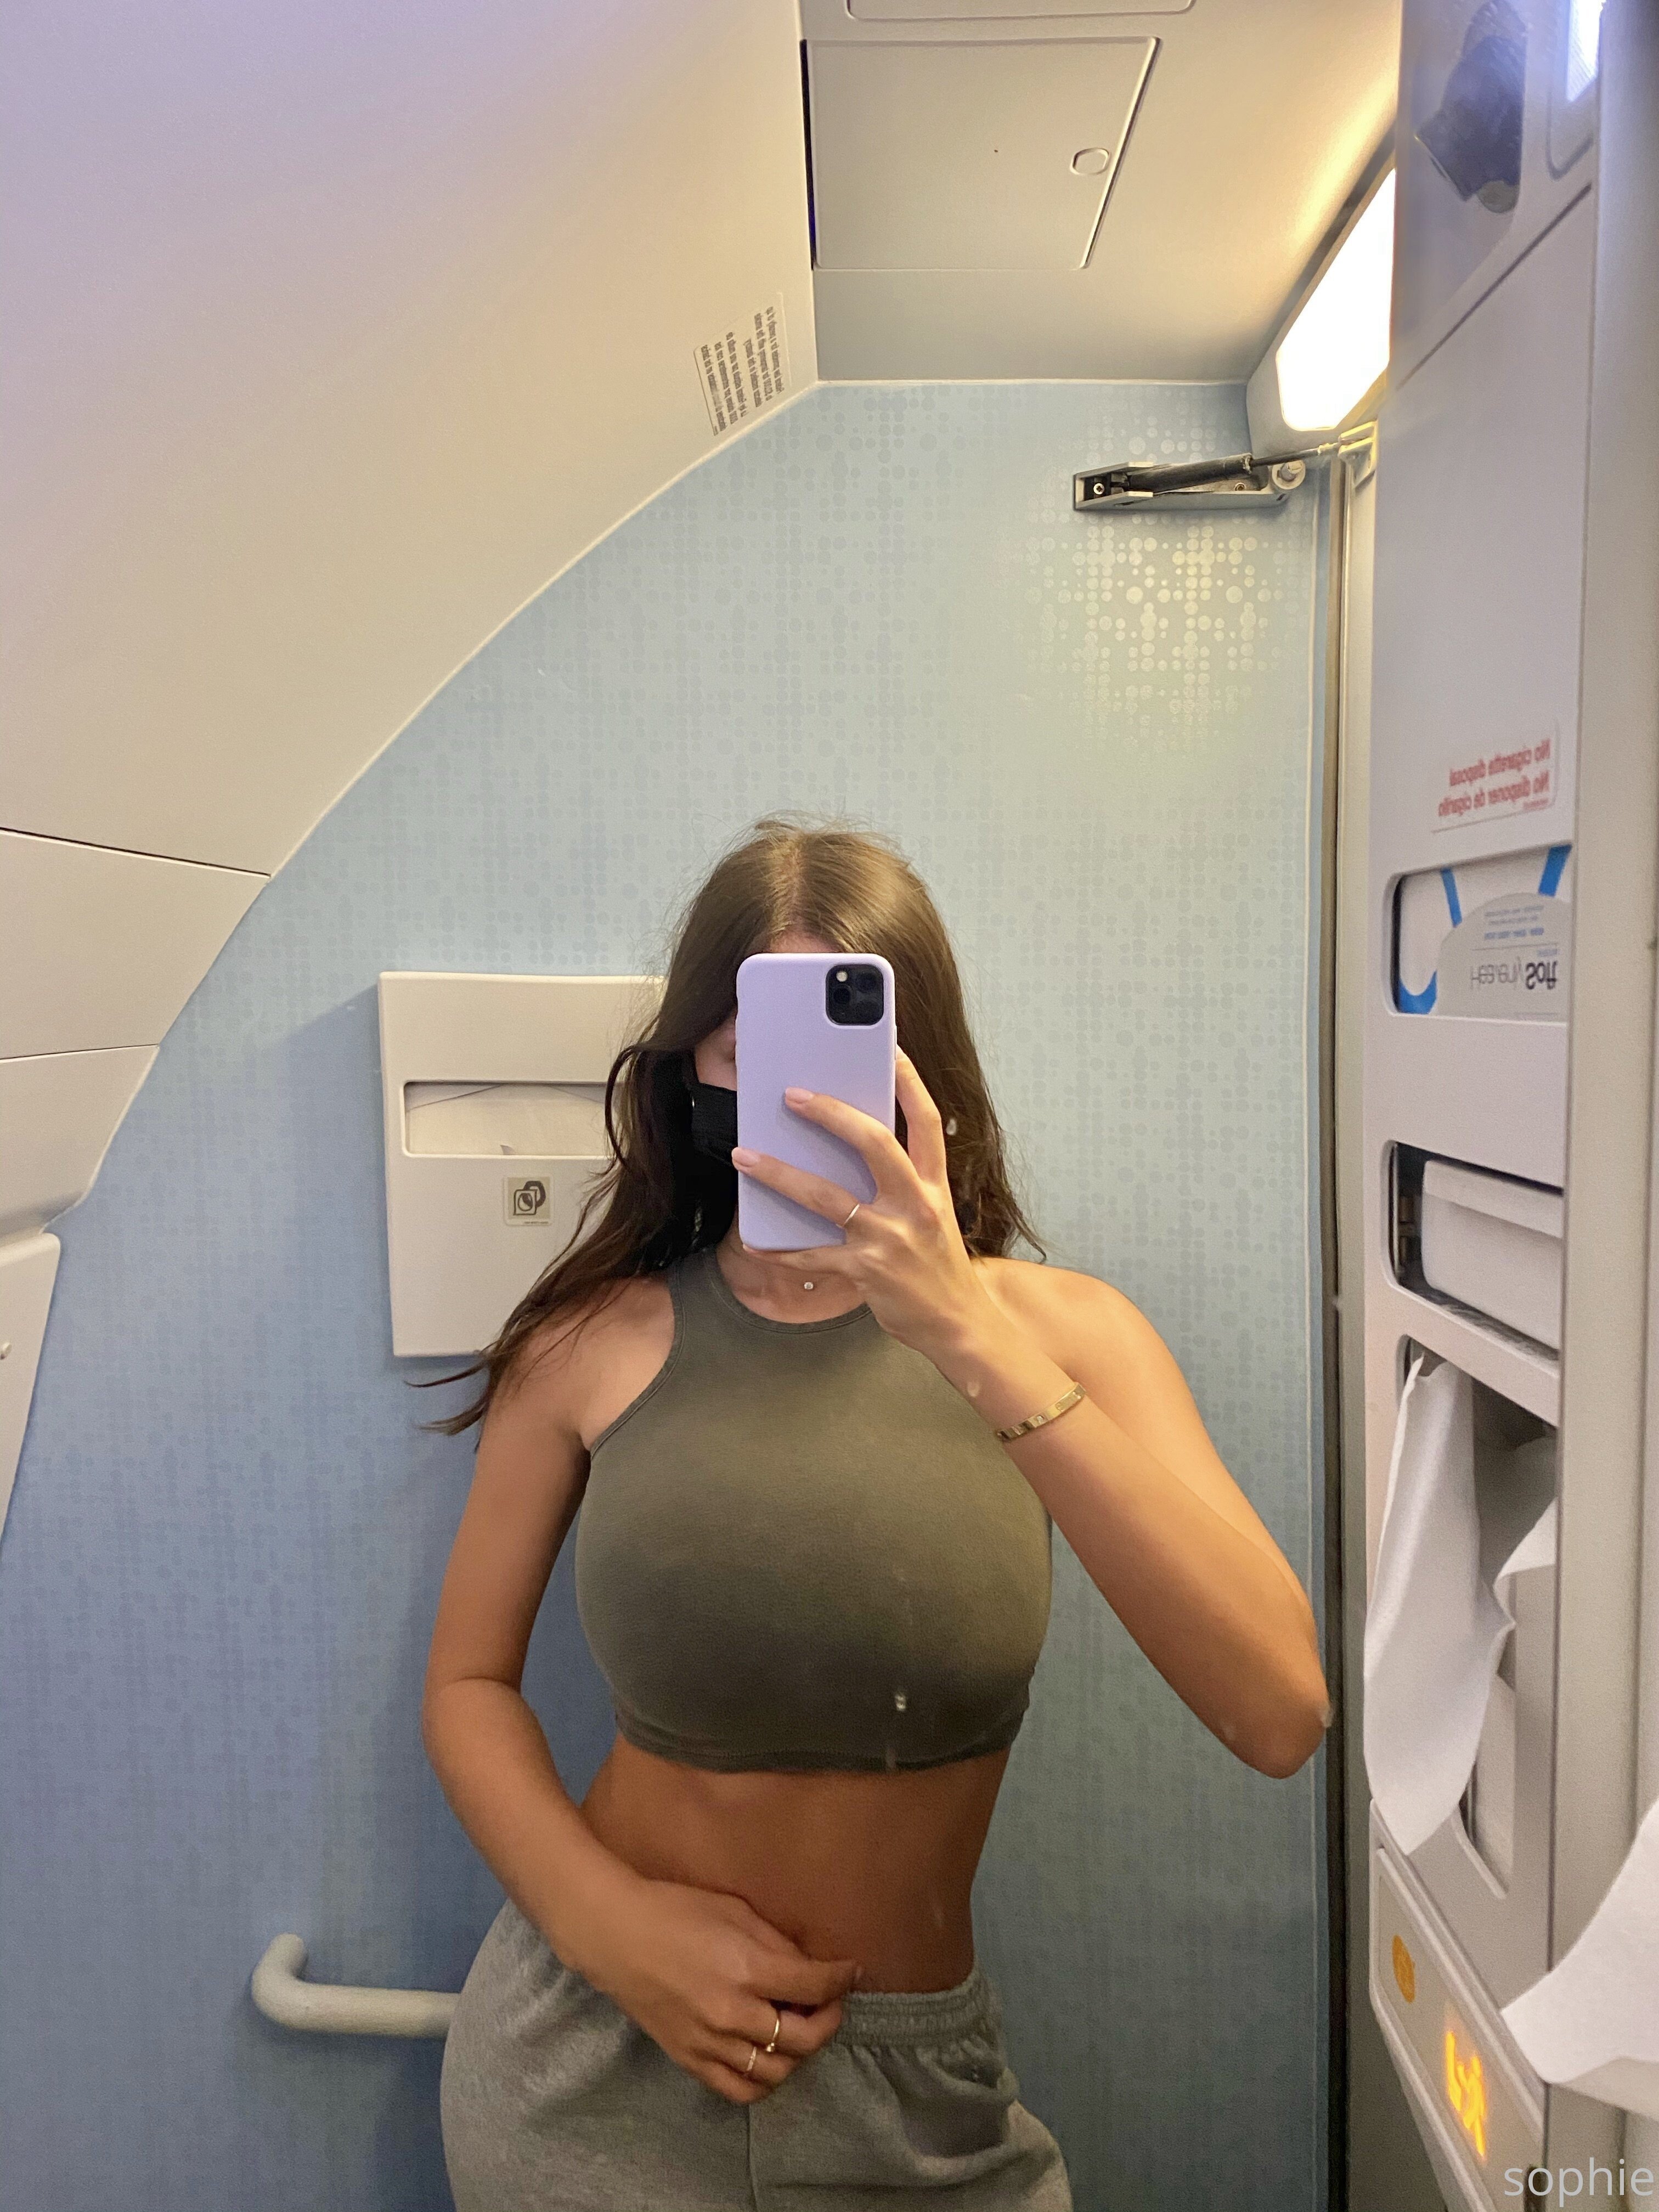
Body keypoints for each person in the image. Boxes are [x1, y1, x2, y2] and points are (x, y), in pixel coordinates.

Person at [424, 817, 1330, 2212]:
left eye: (842, 1051)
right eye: (751, 1053)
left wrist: (966, 1330)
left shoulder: (1068, 1336)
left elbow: (1279, 1713)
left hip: (921, 2109)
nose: (801, 1098)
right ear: (693, 1075)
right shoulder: (585, 1346)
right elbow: (467, 1685)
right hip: (592, 2062)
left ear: (926, 1071)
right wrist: (609, 1930)